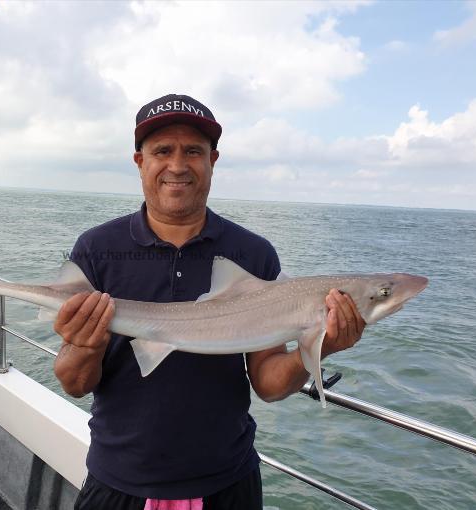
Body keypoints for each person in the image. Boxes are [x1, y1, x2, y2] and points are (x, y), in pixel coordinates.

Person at [53, 94, 366, 510]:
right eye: (162, 151)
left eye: (193, 151)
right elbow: (74, 383)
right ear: (139, 161)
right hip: (118, 481)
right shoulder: (97, 248)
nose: (178, 165)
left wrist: (320, 344)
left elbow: (269, 385)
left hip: (226, 482)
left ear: (213, 160)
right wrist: (85, 344)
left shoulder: (252, 254)